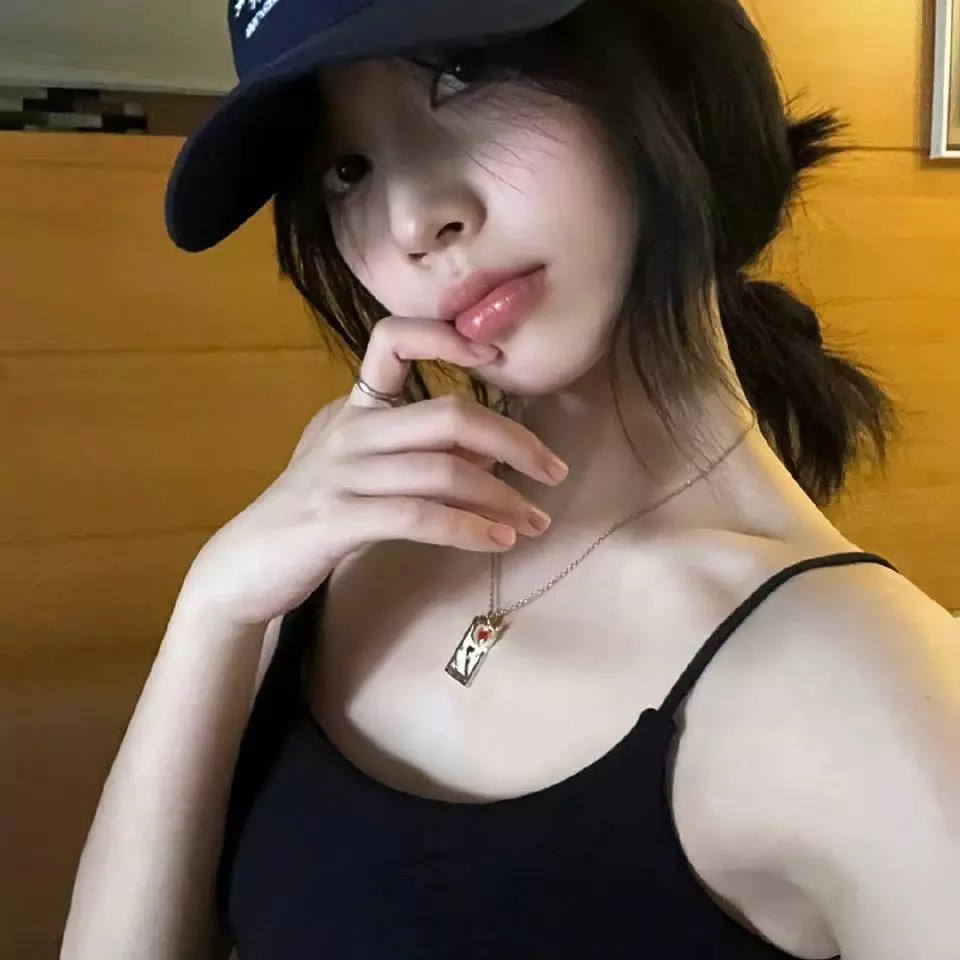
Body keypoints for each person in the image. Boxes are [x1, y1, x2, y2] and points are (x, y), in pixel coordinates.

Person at [62, 0, 960, 957]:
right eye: (347, 168)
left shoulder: (862, 688)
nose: (413, 220)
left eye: (464, 72)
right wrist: (214, 609)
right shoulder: (340, 543)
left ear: (663, 62)